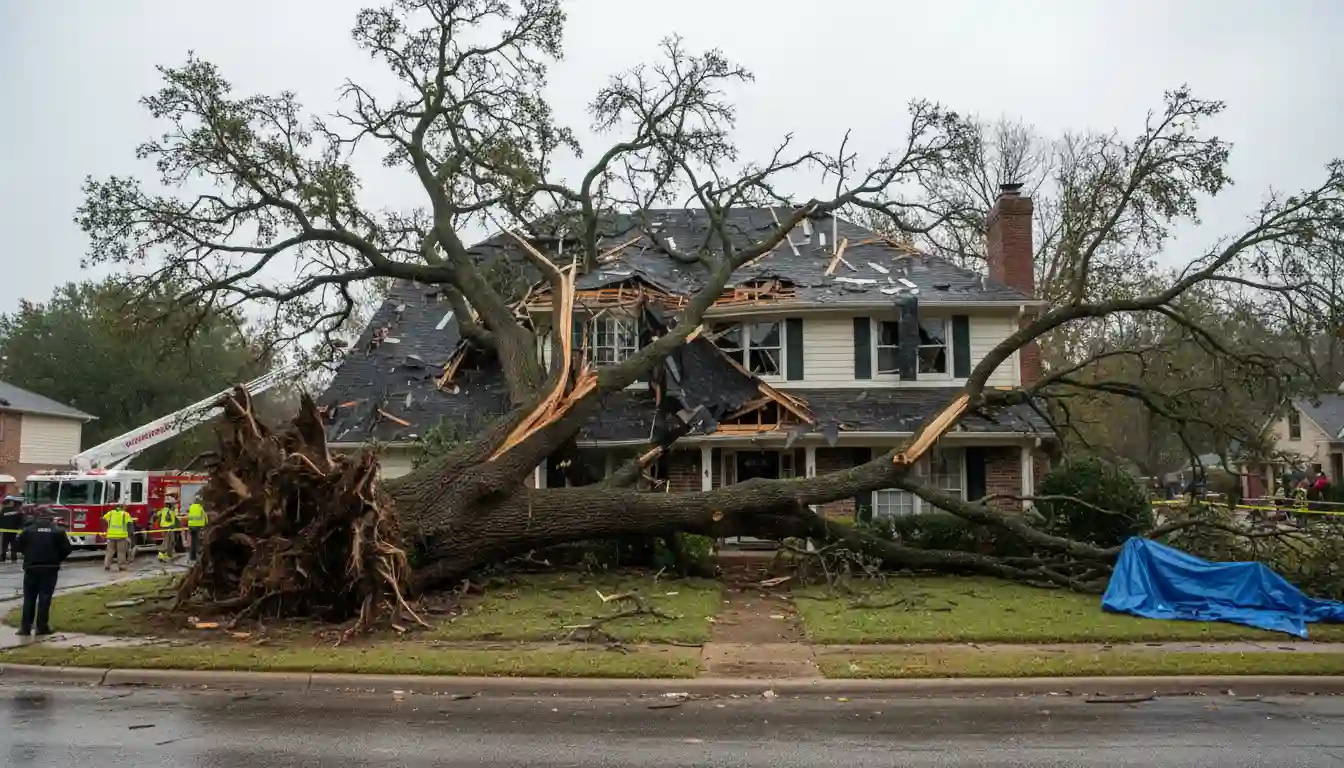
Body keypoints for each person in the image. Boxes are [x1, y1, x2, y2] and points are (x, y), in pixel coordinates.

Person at [14, 507, 72, 636]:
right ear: (51, 518)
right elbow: (67, 549)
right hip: (50, 568)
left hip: (31, 568)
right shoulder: (58, 532)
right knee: (45, 598)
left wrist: (29, 555)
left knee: (29, 598)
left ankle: (25, 627)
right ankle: (42, 627)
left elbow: (18, 547)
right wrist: (57, 558)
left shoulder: (28, 531)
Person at [102, 504, 134, 571]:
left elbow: (104, 518)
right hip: (121, 536)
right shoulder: (125, 514)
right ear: (123, 508)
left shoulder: (110, 513)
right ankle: (121, 566)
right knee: (121, 552)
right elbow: (130, 524)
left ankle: (107, 565)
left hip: (111, 535)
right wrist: (130, 534)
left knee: (110, 551)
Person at [0, 498, 23, 563]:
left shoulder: (3, 510)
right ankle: (14, 557)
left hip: (4, 530)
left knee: (4, 544)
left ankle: (2, 557)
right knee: (14, 544)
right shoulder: (17, 511)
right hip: (14, 530)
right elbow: (21, 521)